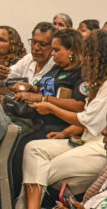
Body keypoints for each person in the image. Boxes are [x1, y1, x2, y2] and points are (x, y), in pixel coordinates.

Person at [8, 30, 107, 209]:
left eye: (89, 54)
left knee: (42, 169)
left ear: (100, 55)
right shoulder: (105, 80)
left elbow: (88, 119)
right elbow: (94, 120)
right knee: (33, 148)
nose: (86, 59)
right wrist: (66, 131)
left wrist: (50, 107)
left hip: (102, 147)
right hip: (85, 137)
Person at [9, 28, 87, 194]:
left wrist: (45, 100)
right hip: (37, 120)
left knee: (20, 149)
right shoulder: (57, 68)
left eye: (57, 50)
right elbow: (45, 87)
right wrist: (31, 88)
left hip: (59, 126)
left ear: (71, 50)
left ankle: (18, 196)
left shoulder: (81, 74)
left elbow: (79, 105)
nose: (52, 54)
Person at [0, 22, 55, 88]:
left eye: (42, 44)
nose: (36, 48)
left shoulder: (56, 65)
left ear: (53, 46)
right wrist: (0, 76)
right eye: (34, 42)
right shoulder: (28, 59)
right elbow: (6, 77)